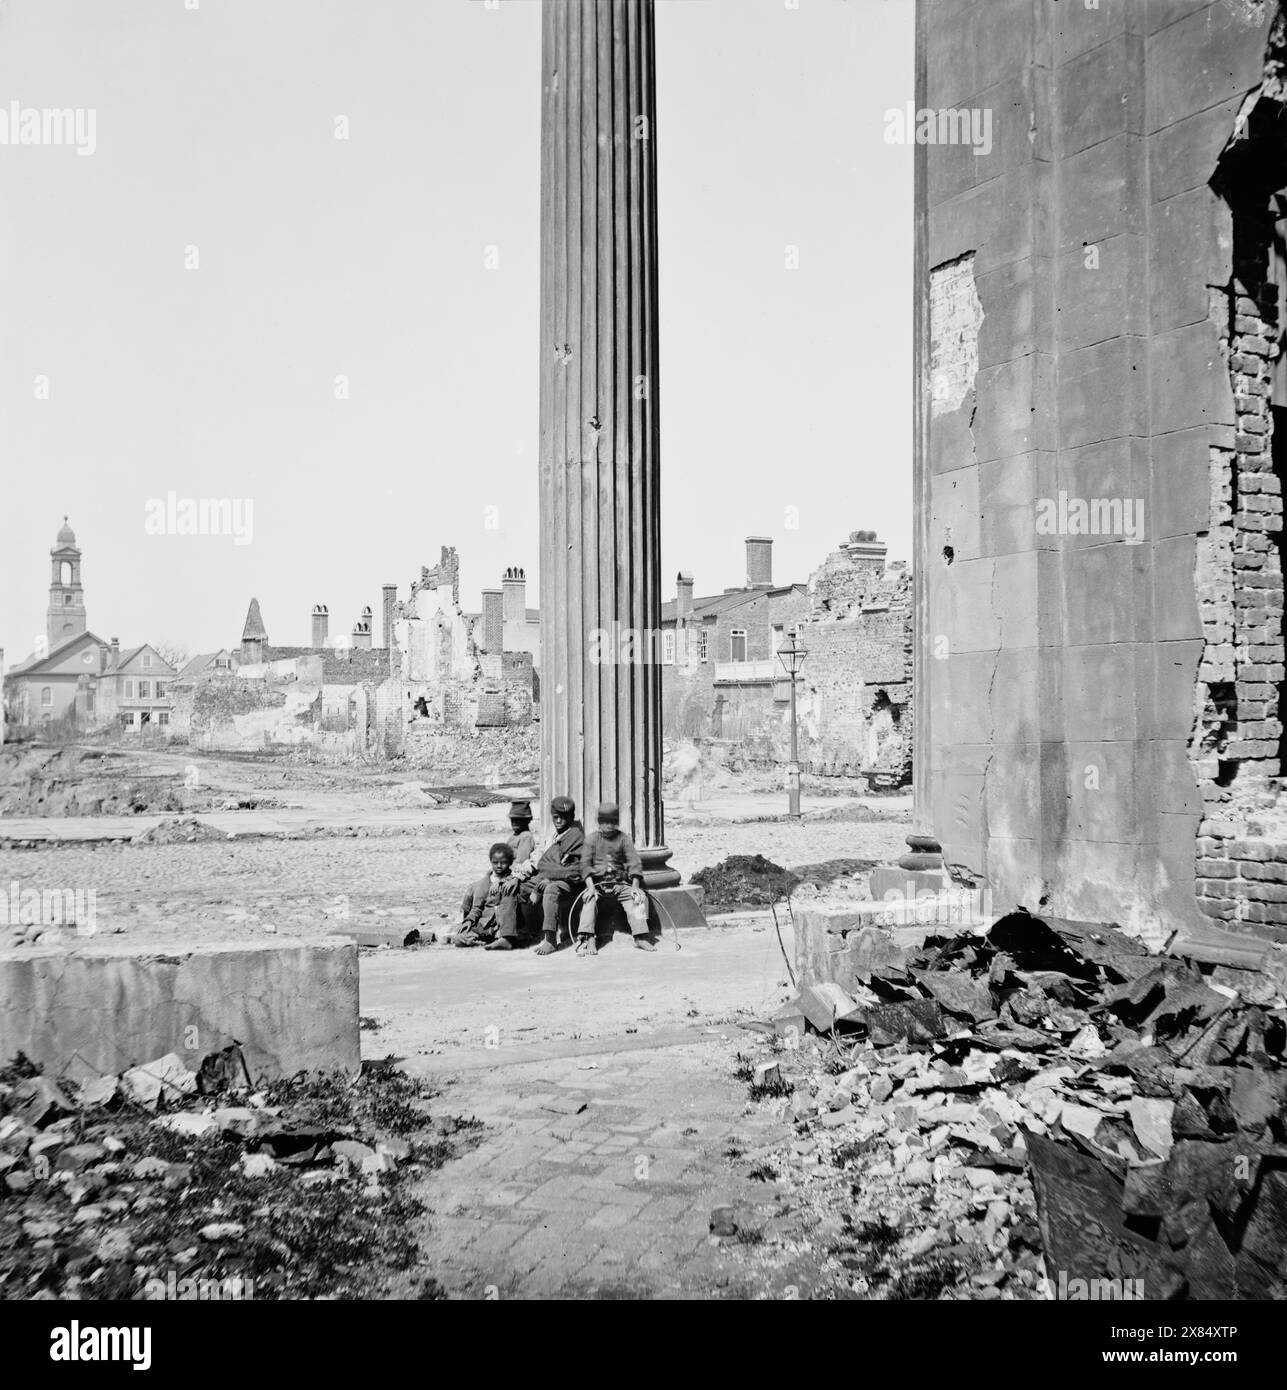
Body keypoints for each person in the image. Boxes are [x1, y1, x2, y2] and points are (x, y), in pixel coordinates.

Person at [577, 802, 655, 956]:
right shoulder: (591, 839)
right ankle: (589, 937)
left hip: (619, 885)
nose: (608, 825)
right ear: (599, 822)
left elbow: (634, 862)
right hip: (597, 885)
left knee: (639, 898)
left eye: (612, 821)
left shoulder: (624, 838)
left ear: (617, 822)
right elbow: (585, 865)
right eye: (605, 821)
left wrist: (635, 886)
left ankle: (640, 936)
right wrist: (591, 887)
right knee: (589, 900)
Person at [514, 795, 584, 955]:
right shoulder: (555, 834)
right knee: (520, 887)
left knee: (551, 889)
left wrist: (549, 874)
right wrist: (546, 870)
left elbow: (575, 871)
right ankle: (522, 930)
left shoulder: (575, 836)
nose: (559, 821)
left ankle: (550, 939)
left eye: (563, 817)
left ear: (571, 817)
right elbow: (543, 863)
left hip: (569, 883)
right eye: (556, 817)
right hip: (550, 876)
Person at [456, 843, 522, 951]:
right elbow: (477, 908)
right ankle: (480, 941)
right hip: (485, 925)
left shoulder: (513, 880)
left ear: (510, 862)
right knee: (459, 939)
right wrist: (469, 920)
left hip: (502, 924)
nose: (499, 866)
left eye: (503, 862)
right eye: (495, 862)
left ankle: (502, 939)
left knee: (510, 934)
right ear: (491, 861)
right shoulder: (484, 883)